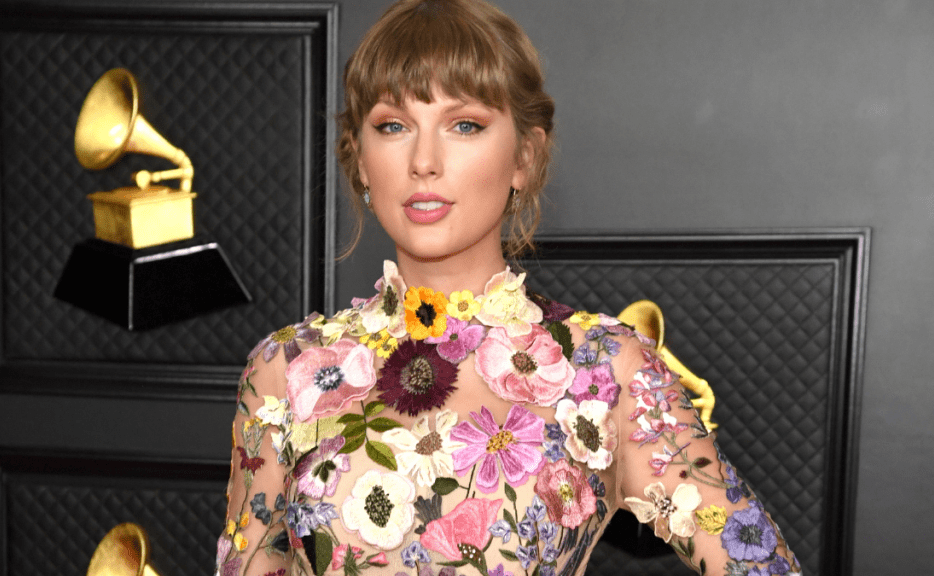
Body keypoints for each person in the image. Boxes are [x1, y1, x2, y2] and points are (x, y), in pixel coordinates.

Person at [215, 1, 801, 575]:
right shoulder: (284, 371)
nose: (424, 160)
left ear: (524, 155)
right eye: (393, 126)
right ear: (361, 160)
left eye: (464, 125)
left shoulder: (607, 371)